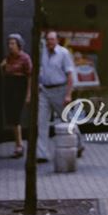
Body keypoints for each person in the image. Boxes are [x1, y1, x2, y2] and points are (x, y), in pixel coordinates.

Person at [37, 30, 76, 163]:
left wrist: (68, 94)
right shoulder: (42, 53)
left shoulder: (63, 53)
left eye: (52, 39)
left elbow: (70, 75)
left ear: (57, 40)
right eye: (48, 39)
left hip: (60, 90)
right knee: (41, 121)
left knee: (68, 119)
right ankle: (42, 153)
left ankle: (79, 144)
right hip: (45, 91)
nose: (50, 42)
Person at [0, 33, 32, 158]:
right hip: (9, 86)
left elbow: (30, 76)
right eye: (9, 43)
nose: (10, 46)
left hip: (20, 87)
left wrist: (28, 94)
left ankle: (19, 145)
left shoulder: (25, 58)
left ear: (19, 44)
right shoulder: (8, 58)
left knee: (16, 115)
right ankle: (18, 143)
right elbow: (4, 74)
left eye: (13, 43)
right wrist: (2, 68)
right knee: (11, 116)